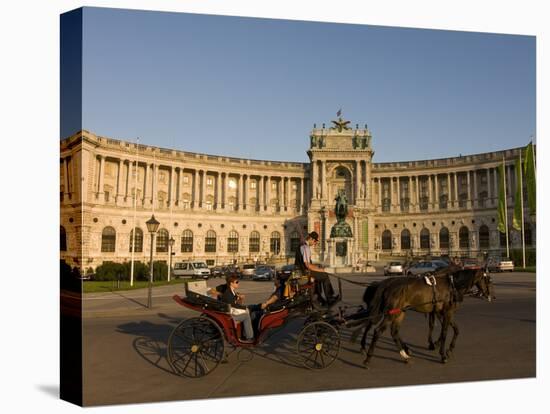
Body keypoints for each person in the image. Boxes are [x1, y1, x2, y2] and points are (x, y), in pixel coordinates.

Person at [295, 231, 339, 306]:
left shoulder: (302, 246)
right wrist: (321, 270)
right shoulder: (306, 248)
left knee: (319, 275)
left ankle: (319, 298)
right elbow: (308, 265)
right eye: (315, 241)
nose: (315, 243)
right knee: (324, 275)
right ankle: (329, 297)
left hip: (301, 271)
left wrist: (317, 267)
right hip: (304, 272)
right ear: (311, 239)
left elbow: (309, 264)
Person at [208, 274, 255, 342]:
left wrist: (239, 298)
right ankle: (249, 337)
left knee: (247, 312)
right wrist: (245, 307)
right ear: (231, 283)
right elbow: (233, 304)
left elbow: (235, 303)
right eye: (236, 282)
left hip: (230, 311)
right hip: (229, 315)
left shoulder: (231, 291)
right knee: (246, 315)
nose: (238, 283)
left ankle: (245, 334)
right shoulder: (227, 292)